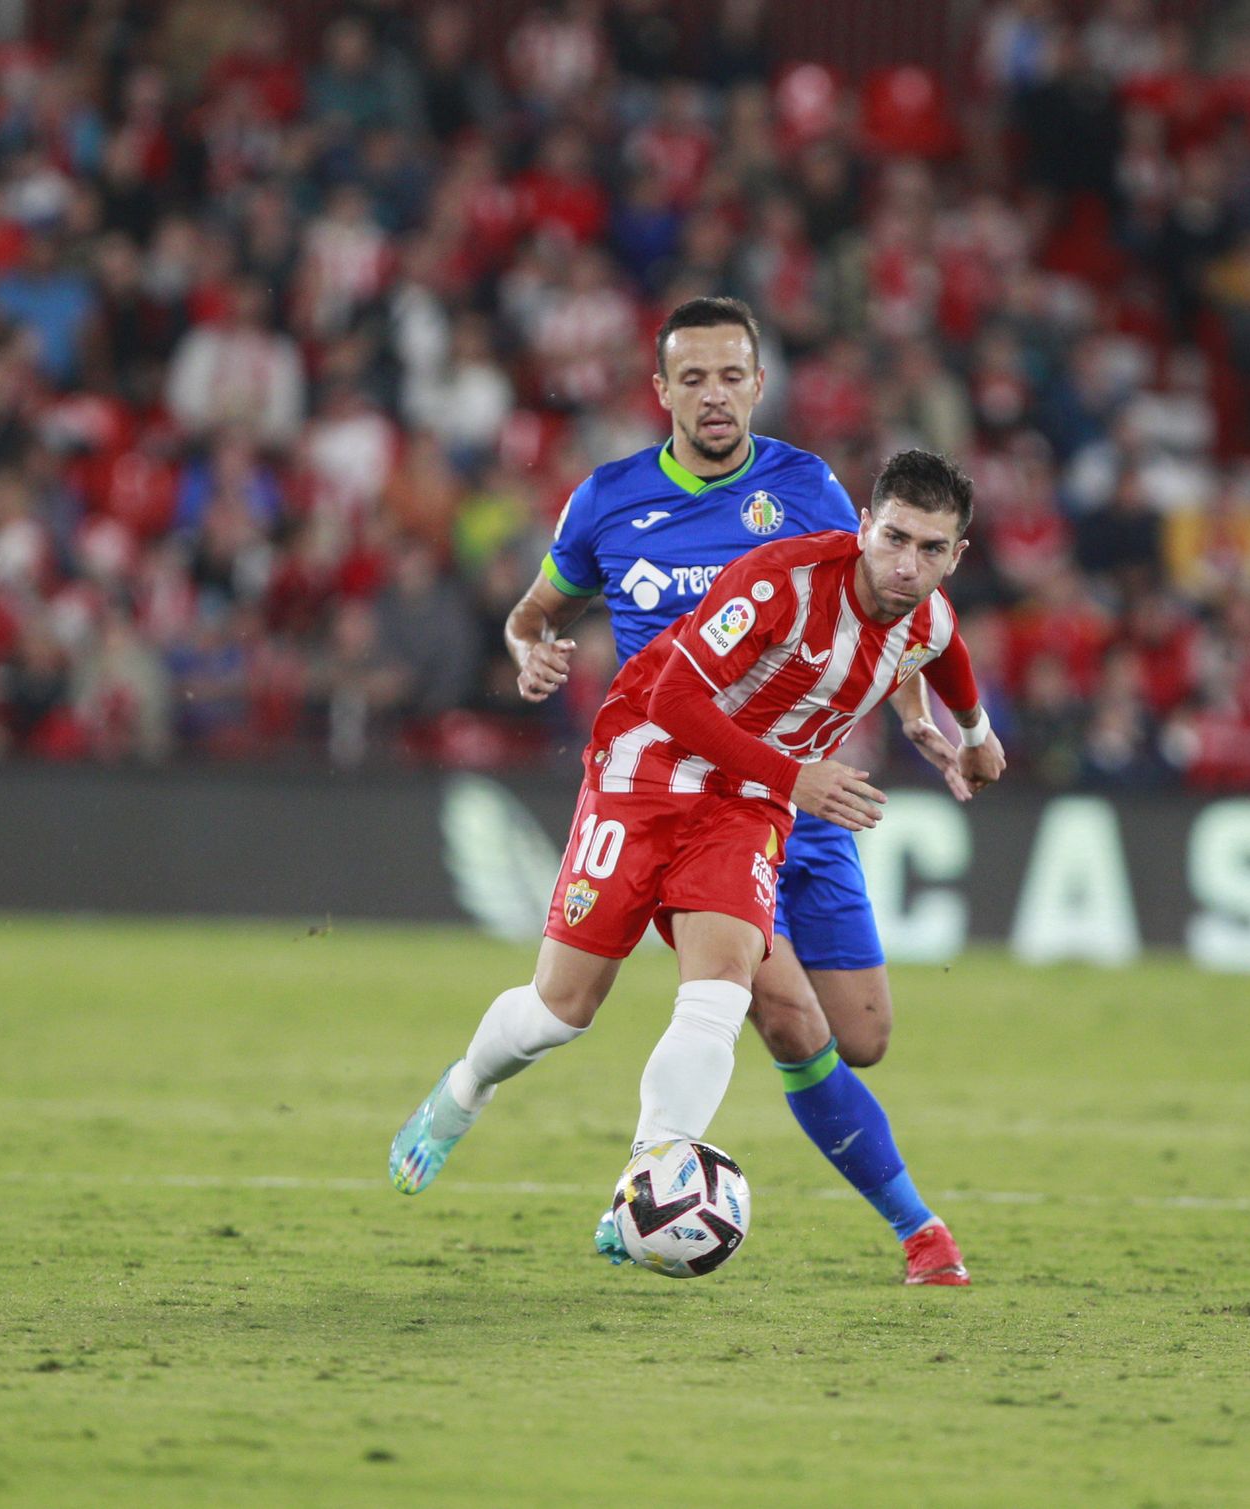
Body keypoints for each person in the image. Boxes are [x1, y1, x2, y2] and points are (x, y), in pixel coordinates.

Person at [391, 444, 1003, 1284]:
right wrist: (797, 777)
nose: (907, 565)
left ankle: (644, 1186)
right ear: (864, 525)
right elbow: (673, 698)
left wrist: (976, 734)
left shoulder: (925, 617)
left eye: (931, 549)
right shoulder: (781, 581)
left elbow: (946, 647)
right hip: (646, 766)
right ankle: (464, 1089)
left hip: (744, 803)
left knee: (720, 989)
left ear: (956, 555)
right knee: (560, 1011)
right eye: (894, 538)